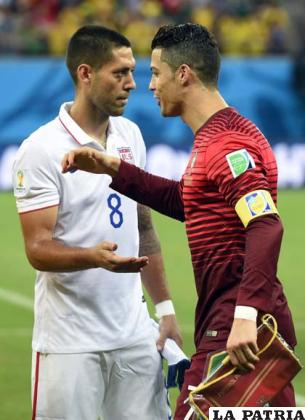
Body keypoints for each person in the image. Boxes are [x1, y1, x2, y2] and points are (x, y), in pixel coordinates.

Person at [62, 23, 298, 419]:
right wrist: (115, 169)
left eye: (156, 73)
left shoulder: (227, 144)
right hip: (246, 322)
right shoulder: (219, 136)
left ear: (183, 74)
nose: (149, 86)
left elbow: (266, 224)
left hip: (234, 329)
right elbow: (189, 201)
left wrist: (244, 316)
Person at [12, 25, 183, 420]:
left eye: (133, 72)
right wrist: (94, 257)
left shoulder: (130, 135)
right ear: (85, 74)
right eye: (119, 73)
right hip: (70, 344)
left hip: (135, 337)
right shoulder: (41, 149)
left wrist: (166, 309)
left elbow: (143, 227)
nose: (133, 84)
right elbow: (37, 248)